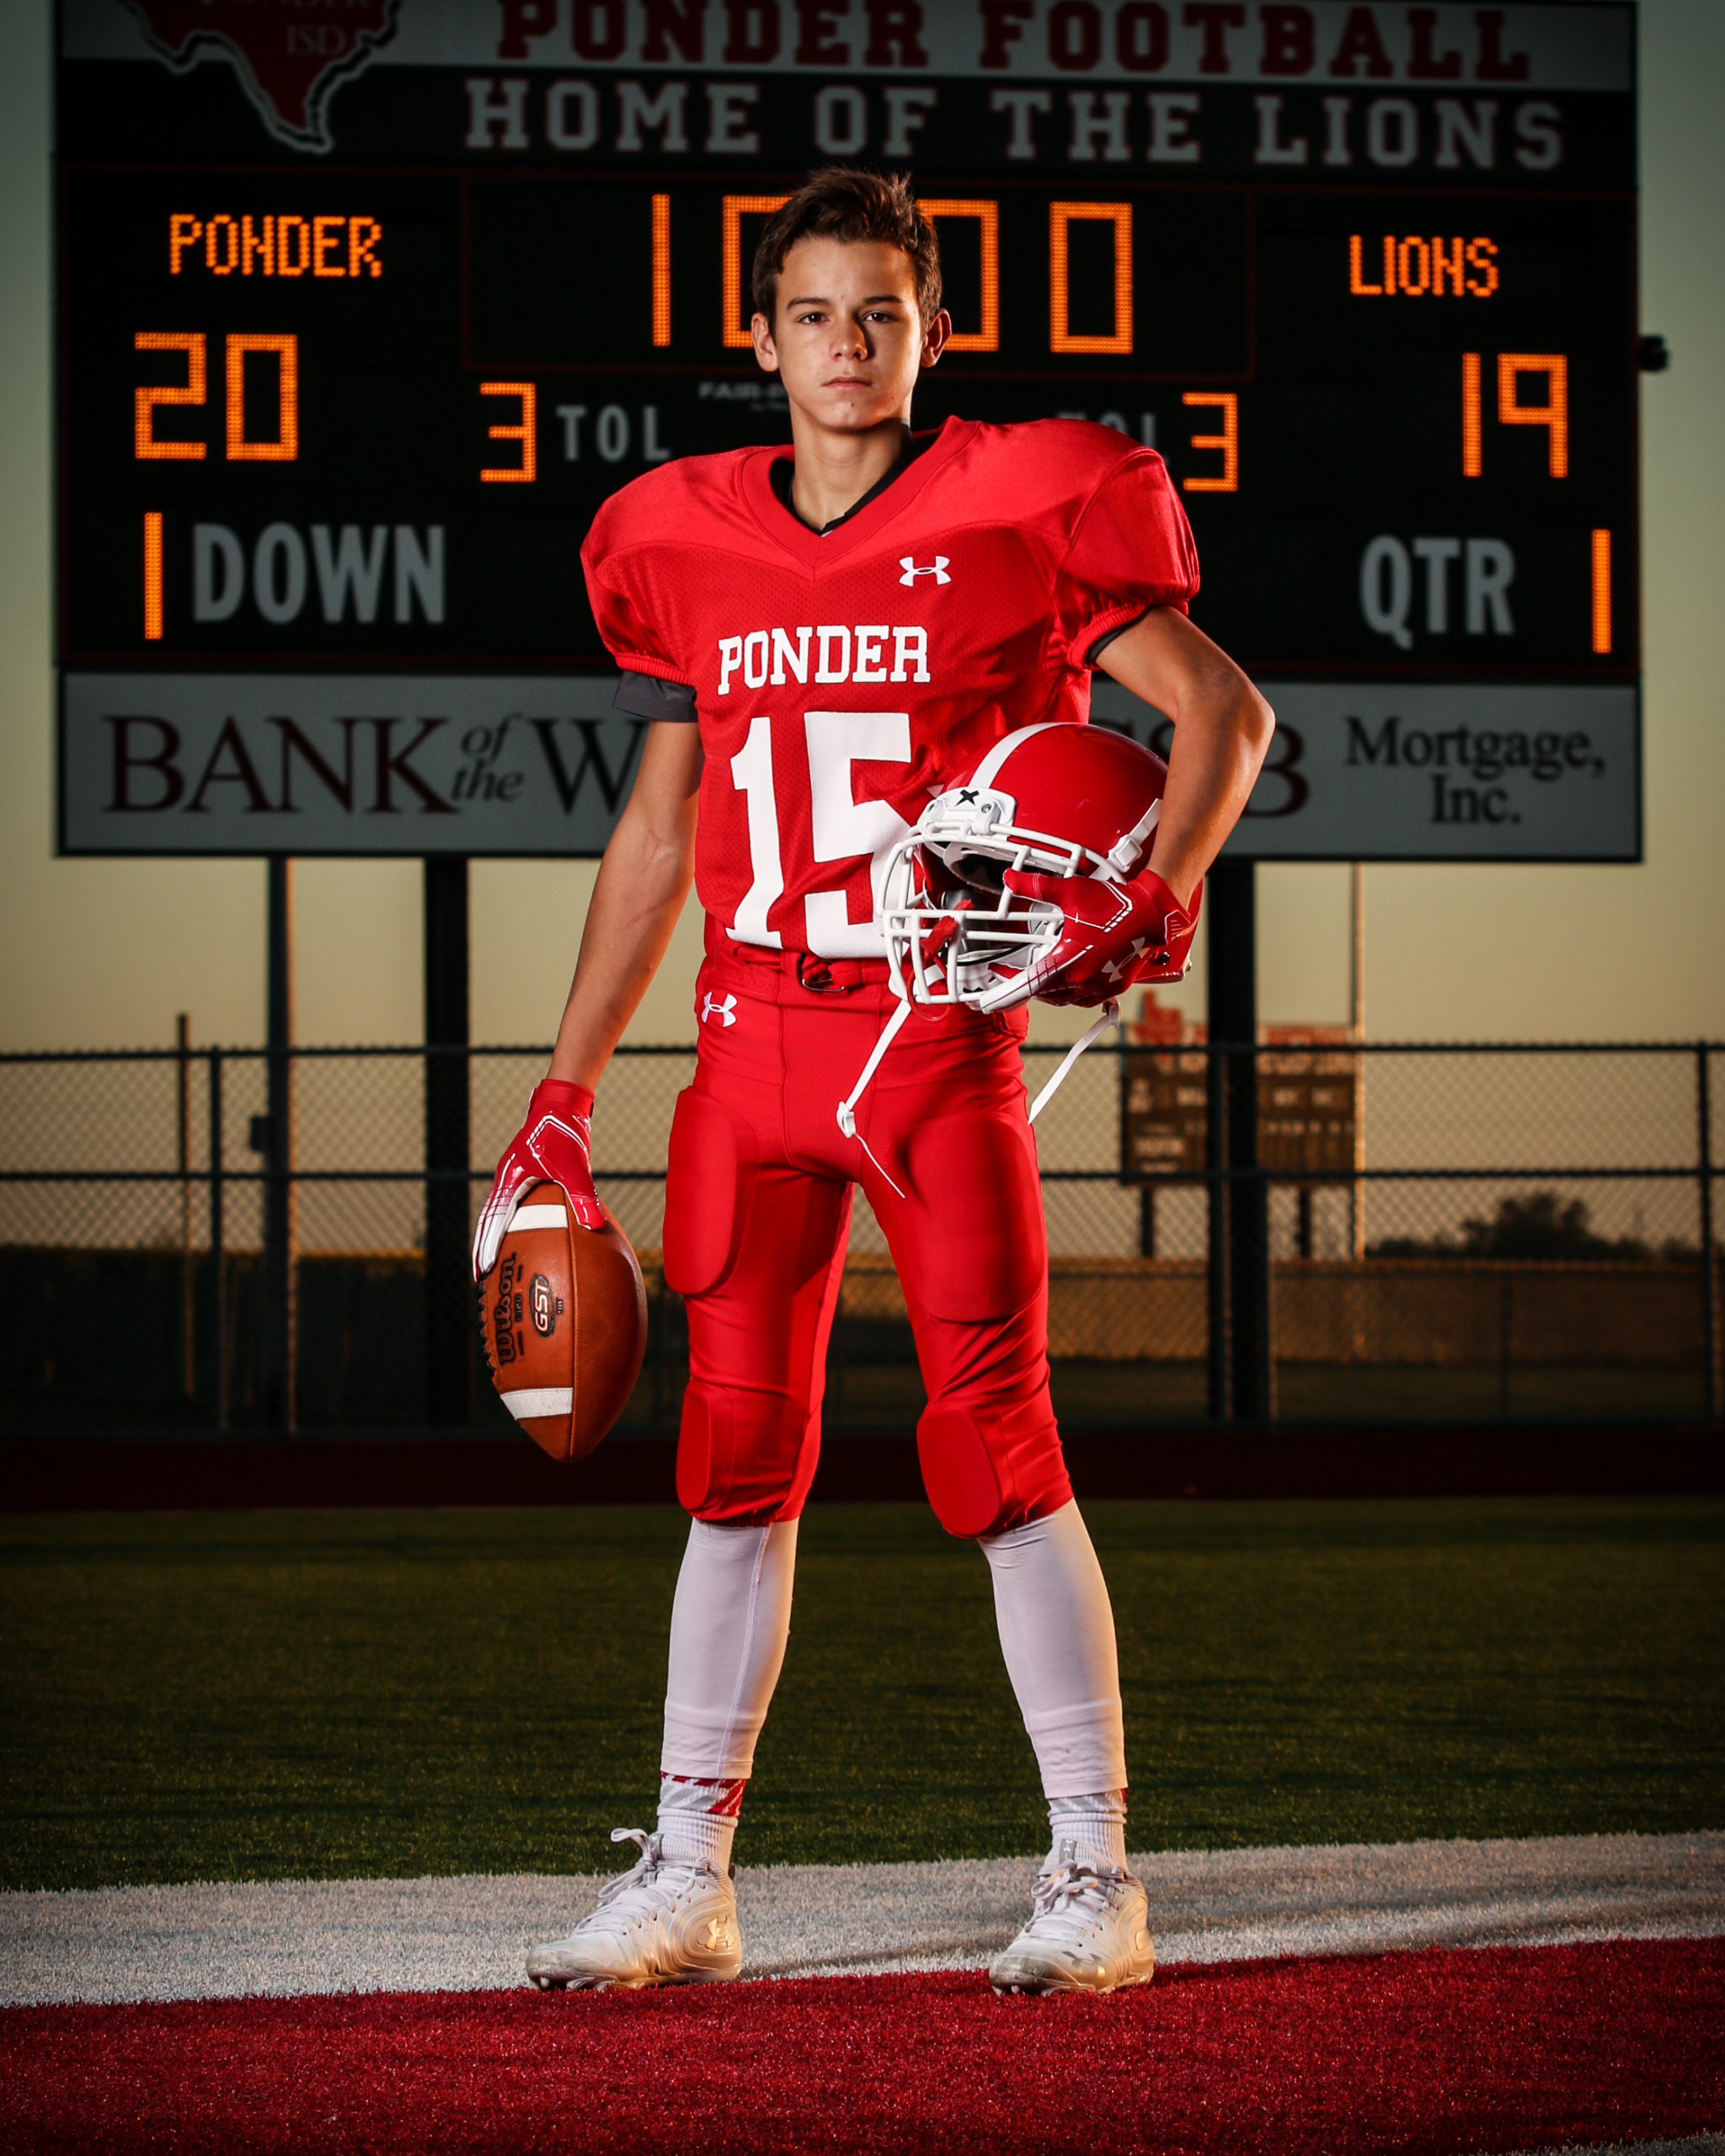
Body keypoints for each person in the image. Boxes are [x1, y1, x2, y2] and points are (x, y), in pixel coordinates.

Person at [473, 168, 1274, 1996]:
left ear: (930, 331)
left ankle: (1096, 1876)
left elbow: (1226, 712)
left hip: (930, 1039)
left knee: (992, 1443)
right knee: (729, 1463)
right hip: (748, 1043)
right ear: (760, 335)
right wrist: (566, 1082)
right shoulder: (678, 535)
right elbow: (660, 823)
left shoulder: (1026, 505)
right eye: (815, 313)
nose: (848, 345)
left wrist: (1159, 897)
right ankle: (686, 1874)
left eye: (881, 314)